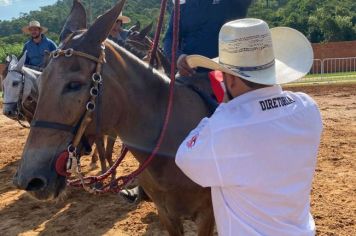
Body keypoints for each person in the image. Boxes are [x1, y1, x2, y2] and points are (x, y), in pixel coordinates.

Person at [175, 18, 323, 235]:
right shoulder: (307, 108)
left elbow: (184, 157)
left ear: (231, 81)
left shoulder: (225, 128)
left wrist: (224, 107)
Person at [163, 0, 252, 76]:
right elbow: (170, 36)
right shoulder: (182, 4)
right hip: (190, 73)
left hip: (226, 73)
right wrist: (178, 57)